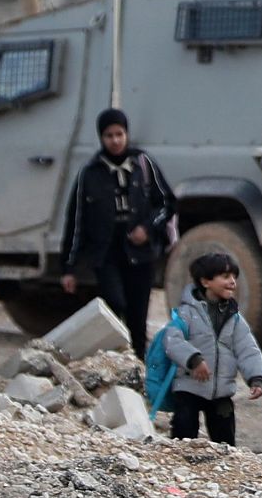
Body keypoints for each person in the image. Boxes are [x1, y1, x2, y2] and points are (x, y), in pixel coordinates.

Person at [59, 108, 176, 351]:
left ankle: (140, 368)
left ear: (127, 134)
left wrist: (147, 227)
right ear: (101, 138)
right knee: (114, 304)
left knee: (138, 316)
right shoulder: (89, 174)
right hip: (106, 253)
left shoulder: (143, 164)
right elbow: (76, 221)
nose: (115, 140)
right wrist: (68, 268)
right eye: (109, 135)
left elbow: (166, 203)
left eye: (119, 134)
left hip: (140, 253)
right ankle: (117, 357)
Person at [160, 252, 262, 445]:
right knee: (183, 440)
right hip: (188, 388)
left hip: (221, 392)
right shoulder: (186, 313)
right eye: (226, 277)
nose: (232, 282)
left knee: (225, 443)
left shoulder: (234, 318)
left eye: (234, 277)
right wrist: (194, 360)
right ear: (205, 281)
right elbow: (172, 340)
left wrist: (256, 378)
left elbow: (247, 349)